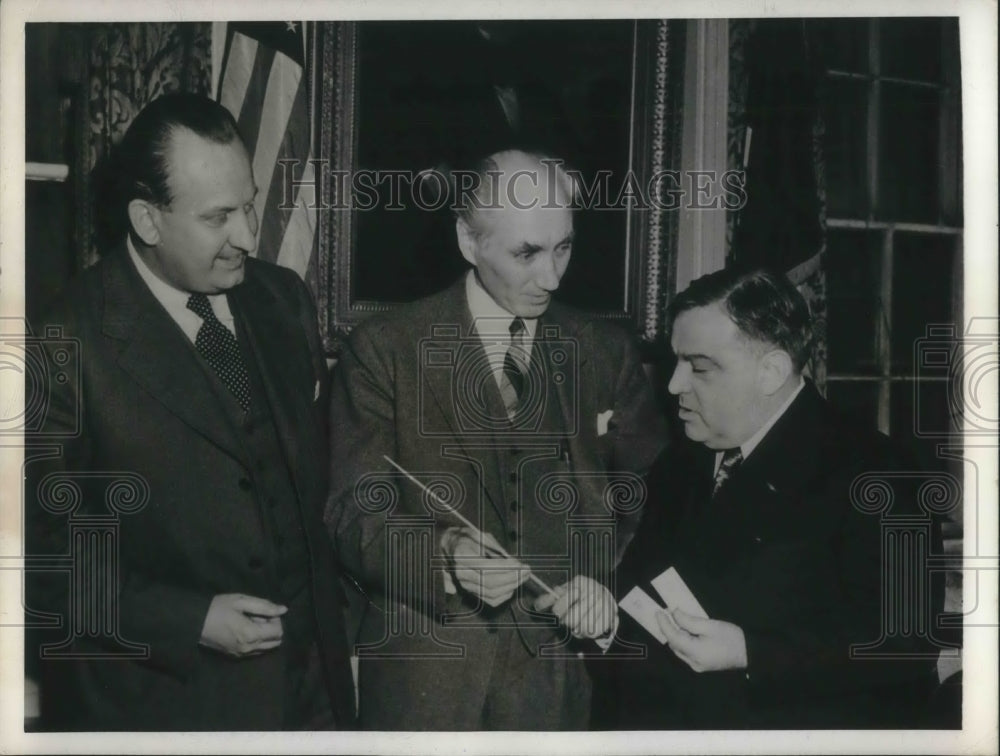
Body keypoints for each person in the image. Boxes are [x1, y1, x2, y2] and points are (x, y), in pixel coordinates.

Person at [25, 93, 355, 730]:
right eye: (218, 217)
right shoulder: (62, 339)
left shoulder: (284, 299)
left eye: (251, 204)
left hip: (310, 701)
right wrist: (189, 620)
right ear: (148, 221)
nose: (247, 235)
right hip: (162, 708)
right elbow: (33, 560)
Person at [326, 149, 667, 730]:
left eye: (564, 247)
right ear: (468, 241)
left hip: (559, 685)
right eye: (527, 253)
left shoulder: (606, 351)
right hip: (425, 684)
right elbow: (354, 516)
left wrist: (602, 586)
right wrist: (446, 557)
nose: (553, 277)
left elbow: (652, 500)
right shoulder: (383, 350)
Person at [592, 267, 944, 729]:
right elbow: (643, 593)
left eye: (699, 367)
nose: (674, 385)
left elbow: (906, 644)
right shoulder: (680, 464)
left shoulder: (879, 471)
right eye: (676, 362)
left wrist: (749, 651)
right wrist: (600, 612)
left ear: (771, 372)